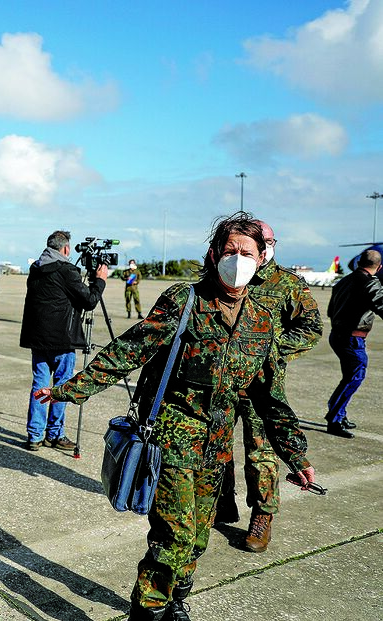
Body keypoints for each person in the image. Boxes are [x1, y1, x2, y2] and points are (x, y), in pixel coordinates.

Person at [34, 212, 315, 621]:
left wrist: (296, 455)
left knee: (198, 536)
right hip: (173, 438)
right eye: (230, 251)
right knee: (174, 537)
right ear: (214, 254)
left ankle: (175, 599)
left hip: (216, 447)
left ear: (261, 259)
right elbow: (130, 349)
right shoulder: (185, 300)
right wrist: (69, 390)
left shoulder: (262, 320)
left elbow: (270, 397)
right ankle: (147, 610)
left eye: (247, 253)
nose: (238, 260)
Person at [216, 220, 322, 553]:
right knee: (216, 446)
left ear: (267, 248)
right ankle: (222, 503)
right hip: (222, 381)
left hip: (262, 385)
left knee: (260, 453)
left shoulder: (287, 283)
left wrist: (271, 350)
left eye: (268, 240)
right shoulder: (224, 275)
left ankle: (262, 516)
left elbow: (311, 328)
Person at [20, 230, 107, 451]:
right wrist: (100, 281)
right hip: (62, 340)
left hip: (38, 338)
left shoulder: (36, 268)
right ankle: (55, 434)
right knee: (61, 387)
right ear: (66, 248)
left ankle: (34, 436)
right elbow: (89, 300)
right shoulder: (66, 270)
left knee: (39, 384)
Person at [325, 248, 383, 437]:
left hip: (337, 335)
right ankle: (334, 420)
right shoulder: (371, 282)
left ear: (358, 263)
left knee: (348, 377)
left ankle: (339, 414)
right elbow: (381, 304)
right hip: (352, 338)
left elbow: (330, 311)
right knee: (355, 376)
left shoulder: (343, 281)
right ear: (379, 267)